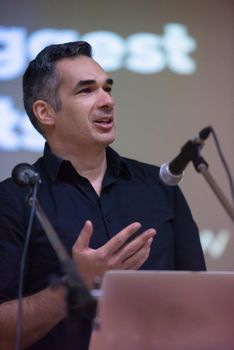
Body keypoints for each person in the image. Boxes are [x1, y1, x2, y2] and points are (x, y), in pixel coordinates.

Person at [0, 41, 206, 350]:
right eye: (86, 91)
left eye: (106, 88)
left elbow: (201, 301)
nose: (107, 100)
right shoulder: (14, 199)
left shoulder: (160, 186)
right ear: (45, 112)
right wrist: (74, 284)